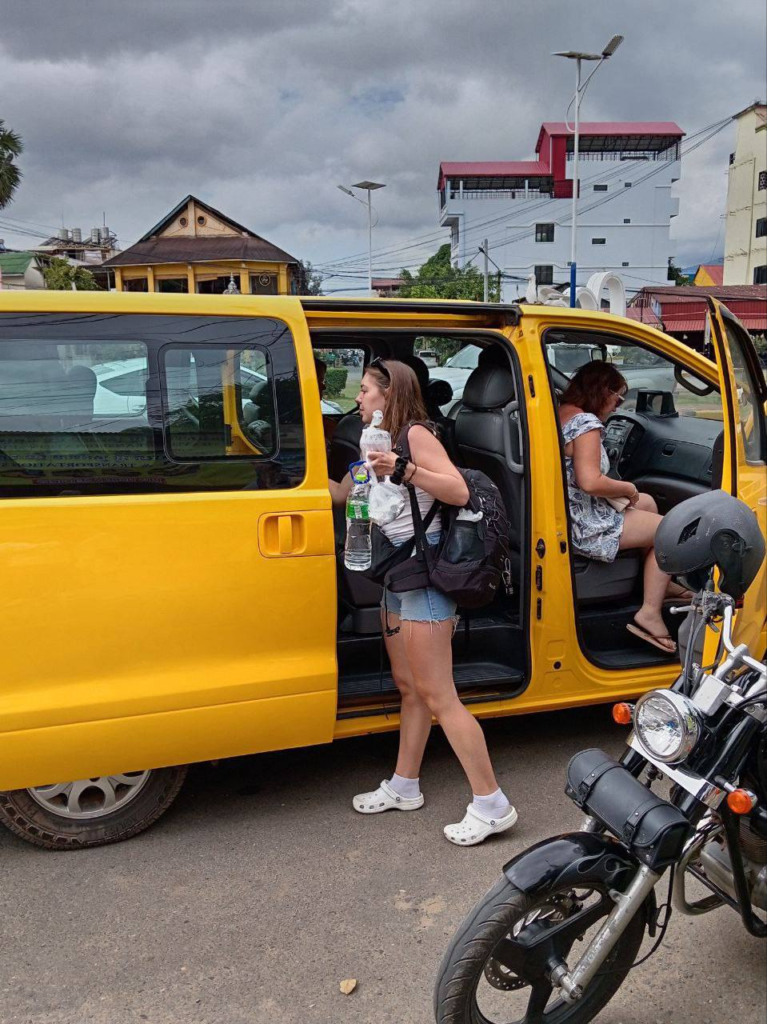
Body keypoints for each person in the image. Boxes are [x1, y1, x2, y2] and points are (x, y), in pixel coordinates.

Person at [329, 358, 517, 846]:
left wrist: (405, 468)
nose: (358, 398)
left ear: (388, 394)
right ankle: (404, 785)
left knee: (440, 696)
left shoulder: (415, 435)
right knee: (409, 688)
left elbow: (456, 489)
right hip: (397, 574)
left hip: (427, 578)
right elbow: (346, 491)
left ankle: (492, 804)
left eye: (365, 389)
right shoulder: (376, 440)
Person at [558, 360, 679, 654]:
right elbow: (590, 481)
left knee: (648, 503)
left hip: (566, 508)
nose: (619, 405)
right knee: (670, 531)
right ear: (603, 391)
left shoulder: (559, 412)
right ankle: (649, 612)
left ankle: (660, 583)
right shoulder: (586, 424)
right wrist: (628, 488)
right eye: (618, 397)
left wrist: (634, 495)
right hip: (584, 523)